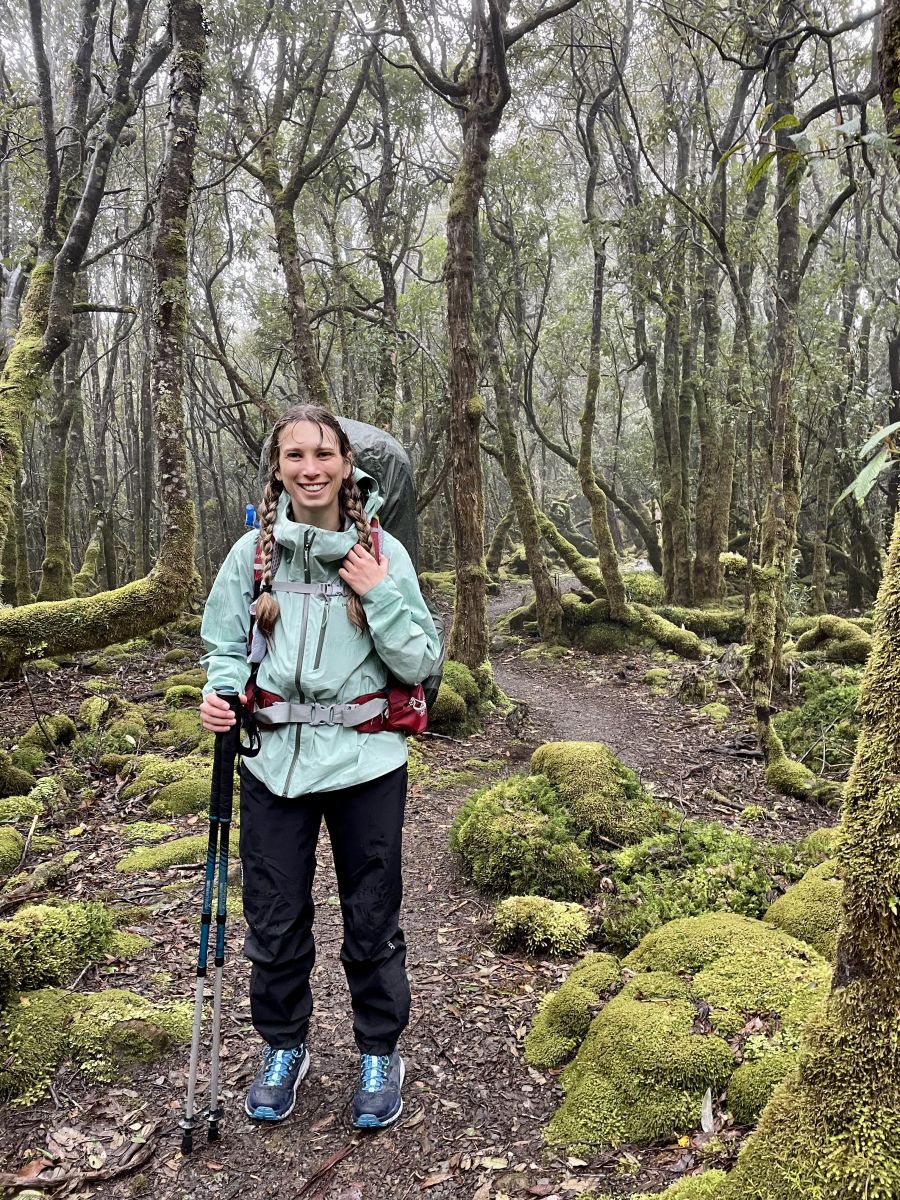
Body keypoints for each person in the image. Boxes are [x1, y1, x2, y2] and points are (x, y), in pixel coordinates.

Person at [198, 404, 441, 1129]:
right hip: (271, 760)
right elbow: (222, 646)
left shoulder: (381, 552)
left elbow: (422, 661)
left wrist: (377, 591)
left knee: (372, 918)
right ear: (277, 468)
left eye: (324, 455)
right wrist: (219, 694)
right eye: (296, 455)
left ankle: (377, 1050)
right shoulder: (252, 556)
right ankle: (283, 1046)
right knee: (273, 919)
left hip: (367, 761)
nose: (311, 469)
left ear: (347, 467)